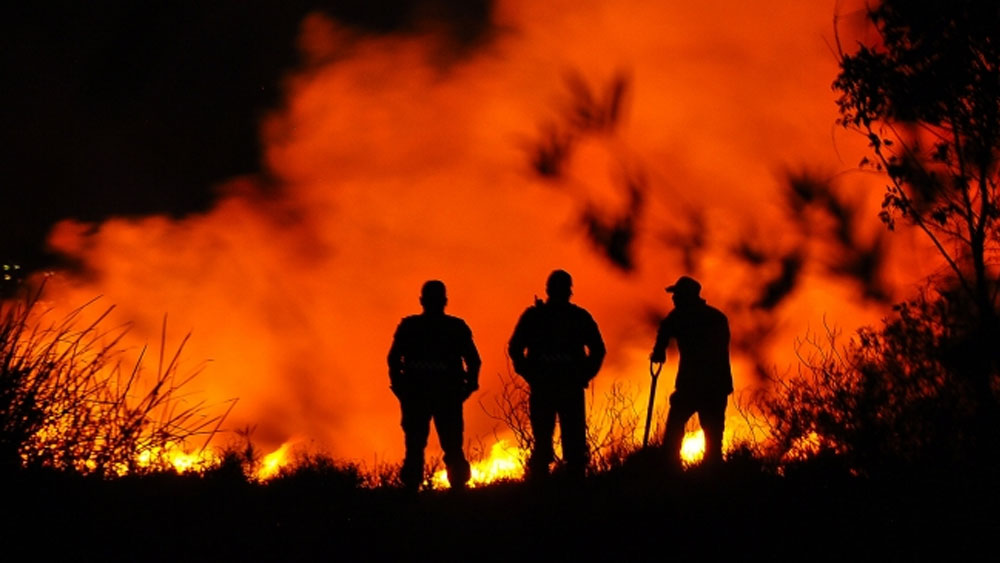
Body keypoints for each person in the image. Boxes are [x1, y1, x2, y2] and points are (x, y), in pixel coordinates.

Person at [508, 270, 606, 479]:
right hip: (555, 387)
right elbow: (515, 349)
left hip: (558, 387)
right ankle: (562, 490)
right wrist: (531, 374)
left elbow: (598, 350)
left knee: (566, 445)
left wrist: (583, 375)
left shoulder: (543, 317)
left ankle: (551, 491)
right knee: (554, 444)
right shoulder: (572, 317)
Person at [388, 280, 481, 491]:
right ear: (445, 301)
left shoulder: (410, 326)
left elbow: (393, 360)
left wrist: (400, 387)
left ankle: (413, 491)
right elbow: (474, 362)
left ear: (422, 301)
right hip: (444, 396)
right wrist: (466, 388)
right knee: (449, 446)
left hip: (420, 396)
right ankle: (457, 491)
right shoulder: (455, 327)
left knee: (416, 446)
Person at [650, 275, 733, 469]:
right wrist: (659, 349)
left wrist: (659, 351)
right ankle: (709, 470)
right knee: (712, 433)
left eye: (677, 295)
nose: (673, 299)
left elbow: (666, 329)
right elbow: (665, 329)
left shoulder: (685, 317)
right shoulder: (714, 317)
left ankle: (671, 468)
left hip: (698, 384)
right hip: (714, 385)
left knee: (678, 427)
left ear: (687, 296)